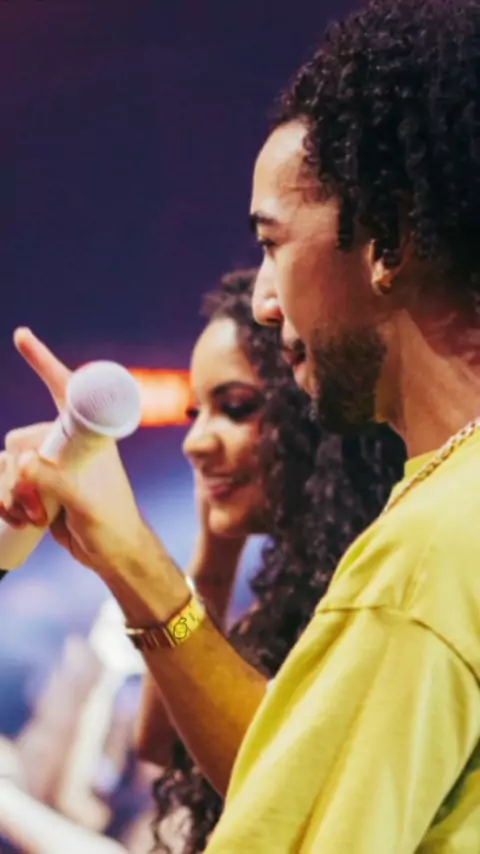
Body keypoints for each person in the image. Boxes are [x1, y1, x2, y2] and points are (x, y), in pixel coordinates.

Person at [3, 0, 480, 848]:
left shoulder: (427, 561)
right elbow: (299, 784)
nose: (263, 300)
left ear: (389, 242)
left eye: (272, 244)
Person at [135, 270, 403, 852]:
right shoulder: (294, 586)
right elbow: (165, 745)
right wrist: (214, 557)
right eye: (195, 413)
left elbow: (284, 789)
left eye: (235, 408)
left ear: (313, 414)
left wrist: (125, 554)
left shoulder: (374, 579)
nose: (195, 442)